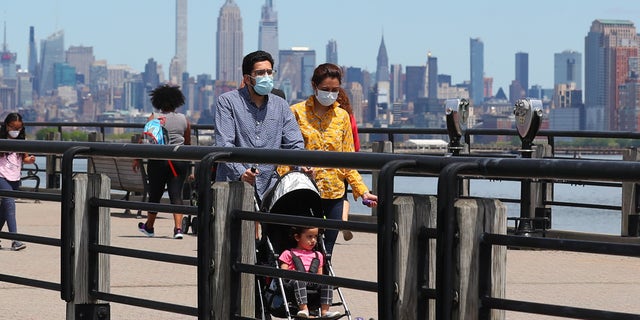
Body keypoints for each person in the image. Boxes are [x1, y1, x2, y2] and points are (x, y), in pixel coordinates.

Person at [288, 63, 378, 255]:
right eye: (325, 89)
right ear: (314, 86)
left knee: (326, 252)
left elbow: (348, 159)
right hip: (304, 191)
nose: (330, 94)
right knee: (303, 249)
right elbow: (285, 153)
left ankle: (325, 285)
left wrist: (363, 191)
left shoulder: (342, 116)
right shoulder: (296, 112)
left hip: (334, 192)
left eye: (335, 90)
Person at [215, 50, 306, 202]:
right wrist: (242, 172)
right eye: (260, 73)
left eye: (269, 72)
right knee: (240, 224)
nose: (266, 77)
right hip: (233, 185)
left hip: (269, 185)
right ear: (247, 78)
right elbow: (224, 144)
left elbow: (295, 143)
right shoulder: (227, 102)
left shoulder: (281, 105)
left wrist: (302, 165)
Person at [134, 84, 191, 239]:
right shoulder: (184, 119)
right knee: (176, 194)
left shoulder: (153, 118)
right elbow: (187, 143)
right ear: (177, 101)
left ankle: (150, 227)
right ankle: (178, 229)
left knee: (155, 194)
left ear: (157, 101)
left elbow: (144, 139)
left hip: (158, 160)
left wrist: (136, 159)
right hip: (179, 161)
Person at [279, 226, 340, 318]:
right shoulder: (288, 254)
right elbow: (283, 273)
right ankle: (304, 309)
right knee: (299, 280)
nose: (313, 240)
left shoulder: (318, 255)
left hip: (313, 281)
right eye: (309, 237)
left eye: (315, 237)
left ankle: (325, 311)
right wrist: (293, 274)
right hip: (294, 282)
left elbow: (320, 274)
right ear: (297, 237)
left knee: (327, 281)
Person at [0, 113, 36, 251]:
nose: (15, 131)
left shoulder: (22, 140)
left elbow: (24, 158)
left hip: (15, 178)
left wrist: (30, 160)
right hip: (1, 176)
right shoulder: (1, 139)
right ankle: (15, 240)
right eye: (12, 127)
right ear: (6, 126)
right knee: (9, 205)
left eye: (18, 128)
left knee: (4, 211)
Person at [335, 87, 359, 242]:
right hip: (346, 160)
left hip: (327, 163)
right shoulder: (349, 115)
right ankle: (343, 220)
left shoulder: (337, 115)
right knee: (343, 194)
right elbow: (355, 140)